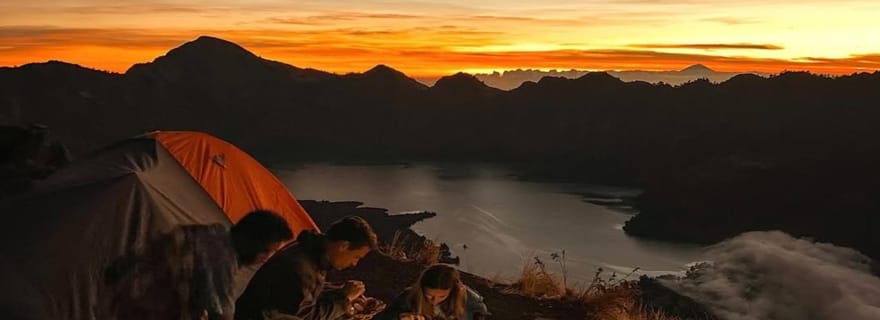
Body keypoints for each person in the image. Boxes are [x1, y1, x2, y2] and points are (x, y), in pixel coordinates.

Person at [105, 209, 294, 320]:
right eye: (268, 250)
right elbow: (220, 313)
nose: (265, 258)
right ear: (250, 240)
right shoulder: (220, 258)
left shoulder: (211, 233)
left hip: (121, 304)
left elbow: (120, 267)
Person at [235, 216, 378, 320]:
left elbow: (303, 296)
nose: (354, 264)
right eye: (356, 257)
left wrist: (338, 292)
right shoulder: (299, 266)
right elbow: (307, 316)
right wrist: (344, 298)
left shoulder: (311, 253)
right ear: (344, 246)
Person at [377, 264, 489, 320]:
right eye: (429, 296)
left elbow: (480, 313)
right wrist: (400, 317)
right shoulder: (409, 297)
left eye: (442, 296)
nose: (434, 301)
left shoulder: (469, 299)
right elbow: (384, 316)